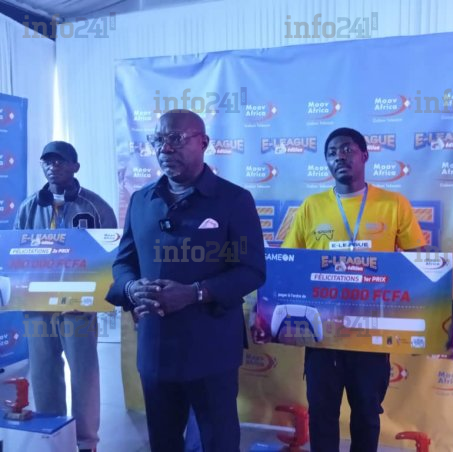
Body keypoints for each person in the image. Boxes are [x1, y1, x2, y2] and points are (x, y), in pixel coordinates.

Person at [106, 109, 266, 452]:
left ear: (203, 142)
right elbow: (123, 264)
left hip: (211, 347)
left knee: (218, 440)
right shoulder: (141, 200)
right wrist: (132, 288)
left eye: (176, 139)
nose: (165, 148)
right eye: (158, 140)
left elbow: (251, 270)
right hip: (156, 347)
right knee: (163, 440)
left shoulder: (234, 200)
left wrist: (195, 293)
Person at [282, 127, 426, 452]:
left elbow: (418, 264)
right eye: (332, 153)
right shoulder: (311, 206)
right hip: (323, 331)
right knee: (322, 414)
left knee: (367, 414)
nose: (339, 157)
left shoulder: (393, 204)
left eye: (347, 149)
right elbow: (291, 264)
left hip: (371, 331)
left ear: (364, 155)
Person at [14, 140, 117, 452]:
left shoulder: (95, 206)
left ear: (75, 166)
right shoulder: (29, 207)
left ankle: (86, 442)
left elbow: (112, 253)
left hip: (78, 304)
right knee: (43, 370)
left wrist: (103, 294)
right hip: (38, 304)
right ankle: (53, 433)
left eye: (59, 161)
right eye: (47, 161)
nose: (52, 166)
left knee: (84, 372)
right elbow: (16, 254)